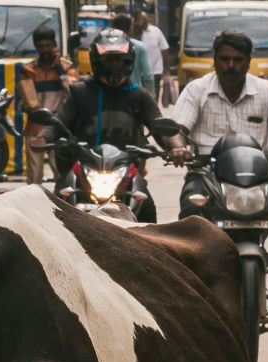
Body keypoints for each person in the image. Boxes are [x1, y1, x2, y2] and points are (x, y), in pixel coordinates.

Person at [171, 31, 268, 315]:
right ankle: (188, 289)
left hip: (257, 179)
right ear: (215, 60)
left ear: (249, 62)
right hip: (207, 175)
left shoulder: (267, 91)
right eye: (224, 59)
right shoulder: (197, 90)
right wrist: (178, 148)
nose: (230, 65)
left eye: (237, 59)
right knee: (190, 213)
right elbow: (178, 130)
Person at [56, 29, 174, 220]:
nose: (113, 65)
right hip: (85, 169)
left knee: (148, 210)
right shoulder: (79, 92)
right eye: (108, 60)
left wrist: (176, 147)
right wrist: (43, 136)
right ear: (97, 60)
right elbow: (58, 123)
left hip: (126, 172)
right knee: (56, 202)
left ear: (128, 61)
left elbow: (159, 124)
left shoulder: (139, 95)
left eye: (118, 60)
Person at [18, 26, 78, 186]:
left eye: (48, 46)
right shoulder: (28, 69)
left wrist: (58, 67)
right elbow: (26, 101)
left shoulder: (66, 67)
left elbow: (73, 92)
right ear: (36, 47)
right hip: (35, 128)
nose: (44, 50)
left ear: (54, 45)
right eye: (41, 46)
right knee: (34, 178)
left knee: (63, 176)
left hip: (60, 128)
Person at [135, 11, 175, 105]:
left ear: (148, 20)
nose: (143, 22)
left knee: (153, 98)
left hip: (155, 72)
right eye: (140, 19)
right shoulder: (135, 32)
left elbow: (165, 50)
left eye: (144, 19)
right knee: (139, 99)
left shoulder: (156, 31)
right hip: (138, 74)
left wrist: (167, 71)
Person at [109, 14, 155, 90]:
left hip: (113, 94)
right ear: (130, 28)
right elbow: (148, 76)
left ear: (113, 29)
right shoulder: (140, 47)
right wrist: (151, 96)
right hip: (135, 92)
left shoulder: (107, 47)